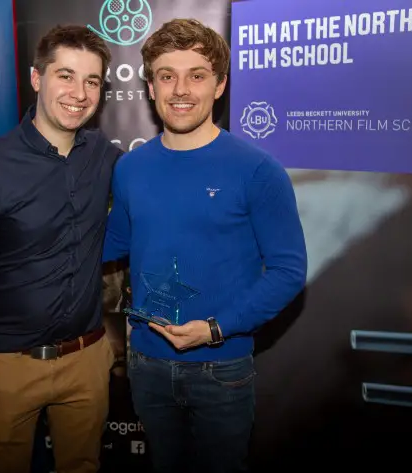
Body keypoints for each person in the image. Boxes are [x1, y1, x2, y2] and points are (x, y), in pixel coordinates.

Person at [103, 18, 307, 473]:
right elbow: (113, 241)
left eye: (197, 75)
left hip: (223, 368)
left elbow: (289, 272)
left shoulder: (257, 170)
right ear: (150, 86)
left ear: (219, 86)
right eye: (166, 75)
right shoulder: (130, 168)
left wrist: (216, 328)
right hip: (147, 366)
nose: (181, 89)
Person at [0, 24, 122, 473]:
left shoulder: (105, 155)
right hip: (7, 366)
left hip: (87, 359)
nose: (79, 93)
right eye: (65, 75)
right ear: (37, 78)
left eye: (92, 81)